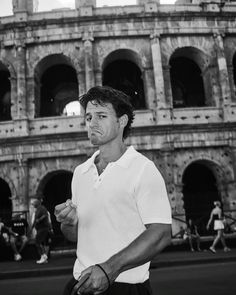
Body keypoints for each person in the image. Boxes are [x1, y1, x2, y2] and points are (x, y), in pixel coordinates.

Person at [54, 86, 172, 295]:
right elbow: (75, 236)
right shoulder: (81, 172)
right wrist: (69, 223)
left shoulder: (143, 169)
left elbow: (161, 234)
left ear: (122, 121)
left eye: (101, 116)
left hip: (126, 287)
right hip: (81, 283)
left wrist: (109, 268)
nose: (92, 123)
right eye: (89, 117)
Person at [31, 198, 51, 264]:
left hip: (43, 228)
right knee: (39, 242)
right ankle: (43, 257)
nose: (32, 204)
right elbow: (34, 221)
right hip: (39, 228)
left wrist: (39, 220)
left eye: (33, 203)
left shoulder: (42, 208)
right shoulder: (37, 210)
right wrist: (32, 228)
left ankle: (43, 256)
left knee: (37, 242)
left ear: (37, 203)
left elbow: (45, 215)